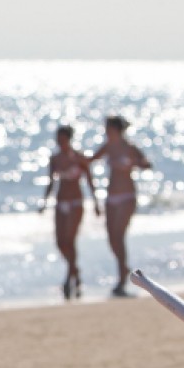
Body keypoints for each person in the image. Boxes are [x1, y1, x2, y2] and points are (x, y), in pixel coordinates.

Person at [91, 115, 152, 297]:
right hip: (111, 197)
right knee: (111, 238)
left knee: (119, 235)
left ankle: (121, 278)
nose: (106, 132)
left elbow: (147, 164)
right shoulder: (108, 148)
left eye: (108, 128)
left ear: (117, 130)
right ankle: (123, 268)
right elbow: (90, 159)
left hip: (127, 197)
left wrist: (135, 163)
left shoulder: (130, 147)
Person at [39, 124, 99, 299]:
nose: (60, 142)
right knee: (60, 242)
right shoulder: (55, 159)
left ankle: (68, 279)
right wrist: (44, 203)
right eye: (58, 139)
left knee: (71, 241)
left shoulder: (79, 158)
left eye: (62, 139)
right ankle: (75, 272)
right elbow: (51, 182)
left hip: (75, 203)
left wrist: (96, 203)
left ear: (69, 139)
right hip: (60, 203)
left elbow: (90, 181)